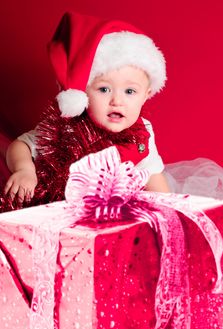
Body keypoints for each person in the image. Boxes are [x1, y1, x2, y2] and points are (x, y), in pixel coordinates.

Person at [1, 11, 170, 211]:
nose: (117, 101)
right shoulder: (66, 125)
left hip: (112, 214)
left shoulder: (142, 133)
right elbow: (21, 145)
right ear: (83, 91)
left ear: (146, 95)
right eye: (104, 89)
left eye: (130, 91)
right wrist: (24, 170)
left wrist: (170, 209)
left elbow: (152, 174)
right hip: (58, 210)